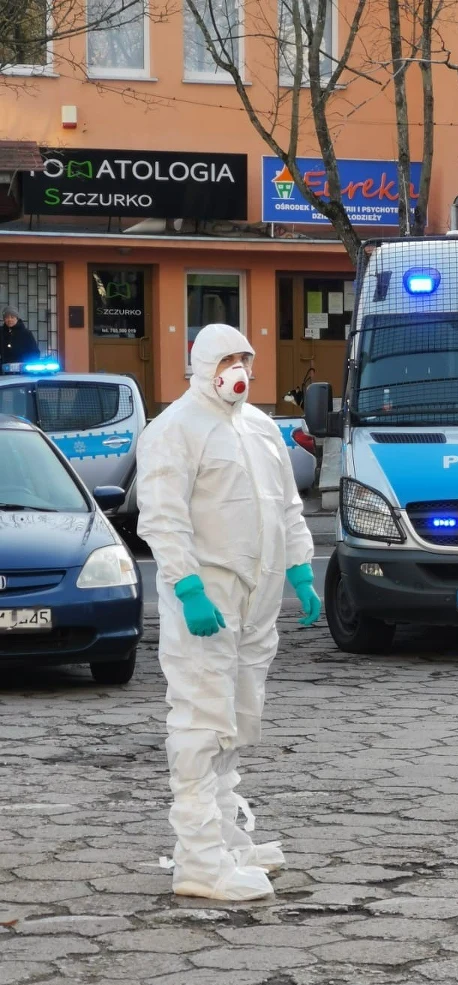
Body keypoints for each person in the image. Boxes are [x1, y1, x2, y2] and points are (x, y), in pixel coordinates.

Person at [137, 324, 321, 901]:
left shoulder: (262, 427)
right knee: (200, 724)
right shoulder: (174, 429)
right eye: (228, 358)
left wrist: (300, 570)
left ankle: (225, 839)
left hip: (256, 606)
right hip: (208, 602)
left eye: (246, 357)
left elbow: (288, 508)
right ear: (202, 364)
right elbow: (162, 516)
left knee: (236, 724)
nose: (239, 368)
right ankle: (198, 861)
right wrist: (188, 588)